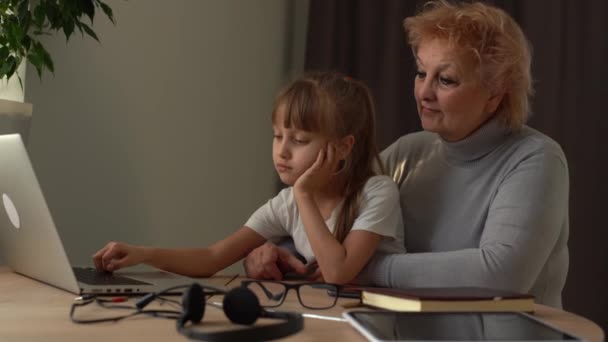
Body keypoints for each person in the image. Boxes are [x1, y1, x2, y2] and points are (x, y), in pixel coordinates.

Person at [243, 0, 569, 308]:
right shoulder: (407, 152)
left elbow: (501, 274)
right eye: (420, 73)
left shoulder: (535, 159)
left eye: (446, 79)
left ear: (495, 94)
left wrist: (367, 268)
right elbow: (325, 221)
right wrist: (278, 255)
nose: (424, 92)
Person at [93, 71, 405, 285]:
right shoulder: (288, 203)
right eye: (277, 136)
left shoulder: (377, 192)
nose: (282, 151)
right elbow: (213, 257)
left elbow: (338, 271)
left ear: (342, 147)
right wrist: (142, 254)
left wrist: (304, 195)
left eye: (299, 140)